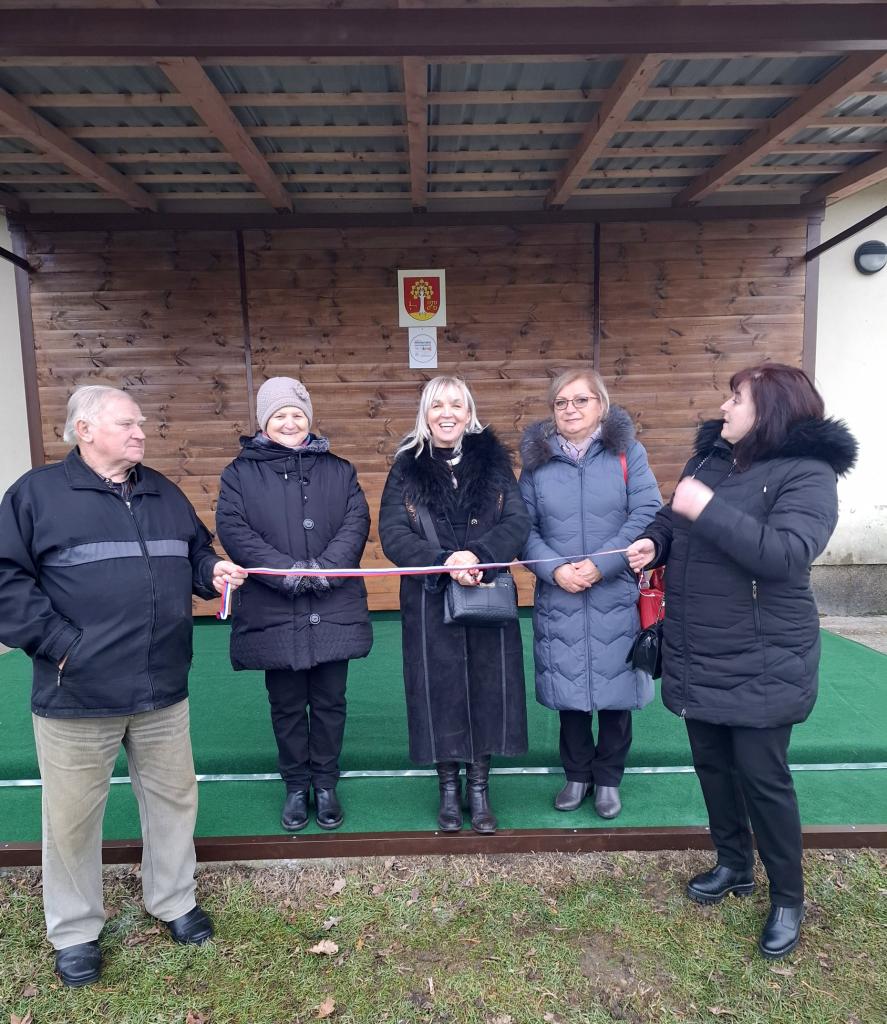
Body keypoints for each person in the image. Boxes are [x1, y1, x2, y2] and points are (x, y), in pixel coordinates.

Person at [0, 385, 246, 988]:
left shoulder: (162, 491)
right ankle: (75, 930)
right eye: (126, 423)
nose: (140, 432)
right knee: (72, 818)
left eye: (141, 423)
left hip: (162, 686)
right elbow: (5, 579)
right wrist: (62, 645)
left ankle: (173, 899)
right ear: (84, 429)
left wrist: (211, 572)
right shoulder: (36, 495)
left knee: (172, 800)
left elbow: (194, 550)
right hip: (77, 691)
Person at [626, 363, 857, 960]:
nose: (724, 407)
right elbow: (674, 516)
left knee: (762, 777)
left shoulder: (808, 473)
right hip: (698, 645)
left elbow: (785, 554)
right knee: (712, 764)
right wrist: (656, 540)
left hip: (763, 655)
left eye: (737, 398)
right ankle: (733, 864)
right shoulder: (710, 459)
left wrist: (706, 508)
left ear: (770, 409)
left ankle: (788, 897)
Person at [215, 377, 372, 833]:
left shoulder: (339, 470)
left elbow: (355, 522)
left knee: (330, 701)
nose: (289, 422)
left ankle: (326, 783)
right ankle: (296, 786)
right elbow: (234, 529)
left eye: (297, 414)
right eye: (279, 415)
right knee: (285, 704)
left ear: (309, 418)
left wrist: (324, 569)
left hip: (333, 605)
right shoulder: (239, 473)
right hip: (273, 609)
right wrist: (287, 572)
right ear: (264, 421)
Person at [378, 376, 530, 834]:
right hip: (429, 598)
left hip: (487, 591)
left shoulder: (495, 463)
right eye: (437, 405)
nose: (447, 413)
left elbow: (516, 522)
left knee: (487, 688)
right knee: (438, 690)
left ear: (469, 413)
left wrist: (478, 557)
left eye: (456, 405)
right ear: (425, 414)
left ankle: (479, 789)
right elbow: (393, 534)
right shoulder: (406, 467)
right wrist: (445, 562)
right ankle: (448, 789)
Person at [519, 369, 661, 820]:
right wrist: (555, 569)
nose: (571, 409)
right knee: (570, 695)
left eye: (581, 400)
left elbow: (646, 511)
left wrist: (602, 564)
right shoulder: (537, 462)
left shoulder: (628, 453)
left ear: (601, 404)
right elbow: (522, 527)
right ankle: (576, 774)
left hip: (614, 591)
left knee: (617, 694)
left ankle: (609, 778)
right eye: (561, 402)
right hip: (559, 593)